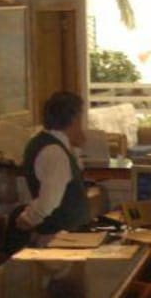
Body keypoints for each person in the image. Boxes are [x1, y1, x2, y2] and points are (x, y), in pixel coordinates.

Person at [14, 90, 92, 238]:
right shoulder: (54, 152)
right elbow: (49, 201)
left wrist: (75, 147)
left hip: (67, 234)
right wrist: (28, 219)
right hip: (59, 235)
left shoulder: (46, 143)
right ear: (74, 119)